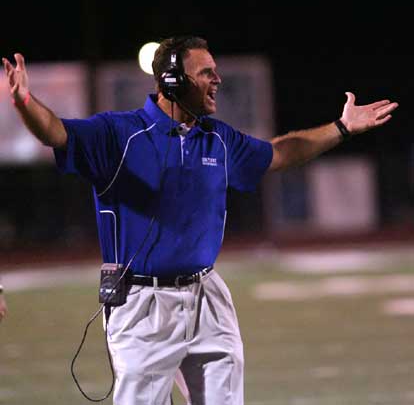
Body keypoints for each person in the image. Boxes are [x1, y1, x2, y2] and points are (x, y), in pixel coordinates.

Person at [2, 36, 398, 405]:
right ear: (172, 81)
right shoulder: (119, 133)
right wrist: (24, 102)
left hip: (207, 295)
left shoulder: (217, 137)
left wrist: (342, 128)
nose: (217, 80)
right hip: (143, 304)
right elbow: (57, 133)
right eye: (206, 72)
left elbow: (280, 153)